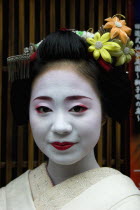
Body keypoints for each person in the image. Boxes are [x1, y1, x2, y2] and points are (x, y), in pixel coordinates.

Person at [0, 15, 140, 209]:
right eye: (43, 109)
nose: (60, 127)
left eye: (77, 108)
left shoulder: (125, 202)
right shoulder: (7, 198)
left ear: (104, 113)